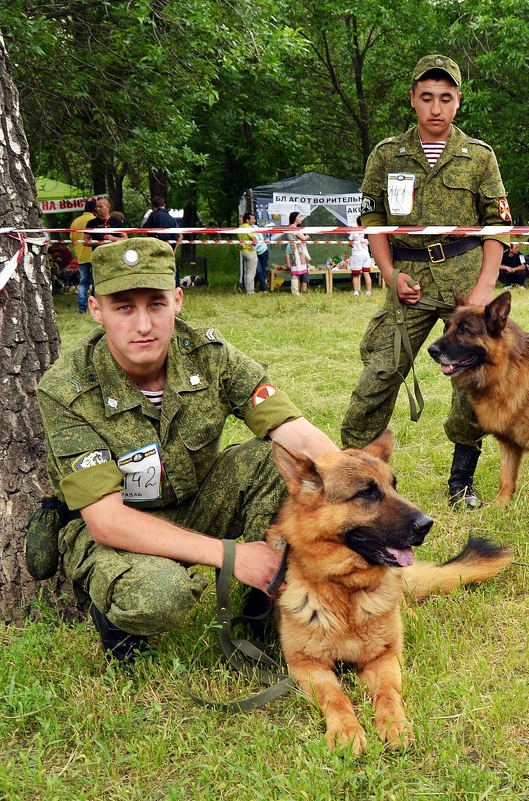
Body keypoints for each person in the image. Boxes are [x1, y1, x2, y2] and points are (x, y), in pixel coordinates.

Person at [33, 237, 339, 662]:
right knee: (159, 595)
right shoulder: (66, 390)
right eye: (124, 307)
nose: (143, 325)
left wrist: (356, 488)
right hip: (115, 527)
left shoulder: (208, 355)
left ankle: (263, 608)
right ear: (96, 309)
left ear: (177, 301)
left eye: (155, 304)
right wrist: (233, 556)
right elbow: (106, 521)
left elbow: (291, 428)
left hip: (194, 501)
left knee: (284, 466)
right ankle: (118, 623)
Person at [338, 54, 511, 509]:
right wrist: (389, 273)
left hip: (465, 281)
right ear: (413, 100)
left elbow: (498, 223)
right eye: (428, 97)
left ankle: (461, 482)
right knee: (379, 374)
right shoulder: (387, 154)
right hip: (409, 279)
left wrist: (484, 290)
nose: (437, 107)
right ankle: (355, 478)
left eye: (446, 98)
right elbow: (372, 218)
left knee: (475, 378)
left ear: (458, 102)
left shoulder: (479, 157)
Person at [70, 200, 97, 314]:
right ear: (95, 209)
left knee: (83, 282)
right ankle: (97, 306)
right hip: (94, 254)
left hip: (81, 255)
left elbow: (72, 238)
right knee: (97, 281)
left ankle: (82, 308)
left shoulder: (76, 221)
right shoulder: (94, 221)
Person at [284, 211, 310, 294]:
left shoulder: (294, 227)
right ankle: (295, 292)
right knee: (295, 271)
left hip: (298, 250)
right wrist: (307, 236)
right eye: (299, 217)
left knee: (300, 269)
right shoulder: (292, 227)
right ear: (295, 218)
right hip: (295, 250)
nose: (300, 218)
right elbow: (303, 237)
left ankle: (297, 291)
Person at [237, 212, 258, 294]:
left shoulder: (240, 227)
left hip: (243, 251)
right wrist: (254, 241)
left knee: (246, 272)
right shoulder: (248, 228)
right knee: (251, 273)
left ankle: (247, 288)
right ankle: (250, 291)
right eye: (252, 218)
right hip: (250, 251)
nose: (254, 220)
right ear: (247, 220)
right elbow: (255, 240)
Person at [348, 229, 373, 296]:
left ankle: (356, 292)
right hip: (366, 255)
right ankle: (369, 292)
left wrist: (354, 245)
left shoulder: (354, 231)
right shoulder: (367, 231)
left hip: (357, 255)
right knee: (366, 273)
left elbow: (349, 243)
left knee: (356, 274)